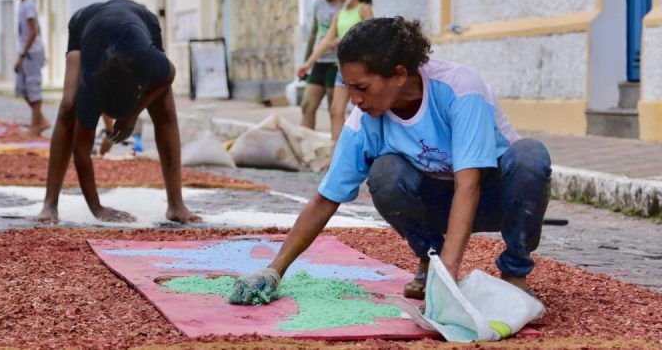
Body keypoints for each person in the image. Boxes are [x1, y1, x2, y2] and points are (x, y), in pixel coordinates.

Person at [231, 17, 551, 305]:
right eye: (349, 88)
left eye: (362, 88)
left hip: (494, 196)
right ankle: (430, 258)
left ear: (398, 74)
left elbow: (469, 185)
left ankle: (514, 272)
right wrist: (274, 270)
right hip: (434, 204)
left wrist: (448, 281)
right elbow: (325, 198)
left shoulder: (459, 88)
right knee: (385, 171)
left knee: (530, 155)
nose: (355, 100)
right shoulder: (364, 120)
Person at [36, 0, 201, 224]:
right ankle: (50, 204)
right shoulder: (89, 85)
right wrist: (97, 209)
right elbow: (81, 152)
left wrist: (132, 116)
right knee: (67, 106)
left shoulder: (147, 60)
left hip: (141, 21)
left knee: (164, 110)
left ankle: (176, 205)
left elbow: (169, 75)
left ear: (137, 87)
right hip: (87, 22)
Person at [297, 0, 374, 141]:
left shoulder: (364, 10)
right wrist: (308, 64)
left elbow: (370, 37)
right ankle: (336, 155)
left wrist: (343, 40)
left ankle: (358, 151)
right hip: (342, 70)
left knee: (363, 113)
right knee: (335, 111)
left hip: (361, 70)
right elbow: (325, 41)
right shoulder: (340, 14)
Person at [299, 0, 342, 130]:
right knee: (307, 105)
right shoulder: (318, 4)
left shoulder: (344, 4)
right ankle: (305, 149)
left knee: (334, 110)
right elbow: (314, 32)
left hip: (336, 63)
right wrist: (307, 60)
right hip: (319, 61)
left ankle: (335, 150)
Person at [10, 0, 50, 137]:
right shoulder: (24, 5)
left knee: (33, 88)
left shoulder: (28, 6)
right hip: (27, 52)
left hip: (31, 53)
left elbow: (33, 31)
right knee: (22, 89)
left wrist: (23, 55)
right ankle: (41, 120)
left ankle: (36, 126)